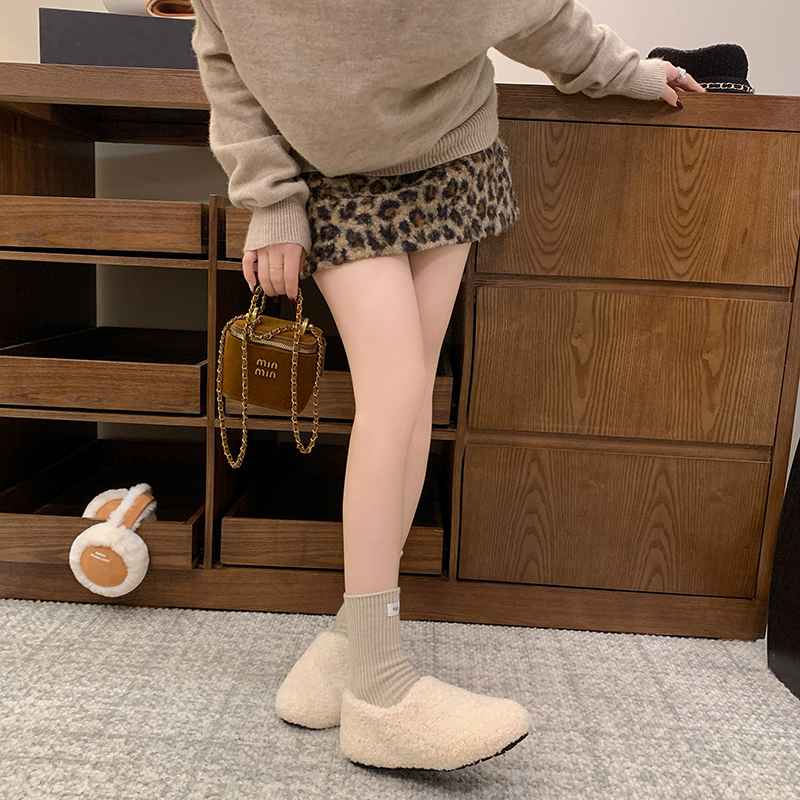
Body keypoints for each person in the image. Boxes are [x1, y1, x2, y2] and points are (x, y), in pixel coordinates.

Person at [190, 0, 706, 771]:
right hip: (328, 174)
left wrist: (629, 71)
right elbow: (224, 56)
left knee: (411, 397)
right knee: (395, 391)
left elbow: (538, 17)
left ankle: (352, 639)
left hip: (448, 159)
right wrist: (270, 199)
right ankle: (379, 690)